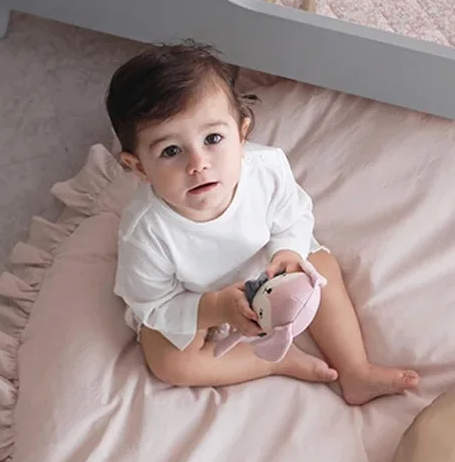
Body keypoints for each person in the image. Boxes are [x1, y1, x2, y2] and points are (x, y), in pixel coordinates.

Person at [106, 42, 418, 405]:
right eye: (171, 151)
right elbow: (153, 304)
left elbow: (294, 216)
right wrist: (214, 309)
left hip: (268, 269)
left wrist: (288, 252)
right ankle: (272, 361)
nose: (198, 164)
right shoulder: (146, 232)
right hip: (194, 298)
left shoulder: (266, 170)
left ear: (242, 134)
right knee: (168, 362)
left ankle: (355, 371)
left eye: (213, 139)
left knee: (321, 266)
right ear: (139, 167)